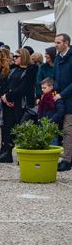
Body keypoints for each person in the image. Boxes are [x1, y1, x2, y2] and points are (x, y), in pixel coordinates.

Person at [0, 49, 32, 163]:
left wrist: (9, 96)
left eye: (17, 56)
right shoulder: (14, 70)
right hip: (8, 103)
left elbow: (24, 88)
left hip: (21, 103)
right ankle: (7, 153)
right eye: (14, 56)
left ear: (24, 57)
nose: (14, 58)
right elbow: (6, 84)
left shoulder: (30, 70)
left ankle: (23, 154)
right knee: (7, 129)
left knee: (21, 129)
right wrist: (4, 97)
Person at [54, 33, 72, 171]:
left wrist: (61, 94)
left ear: (66, 43)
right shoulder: (57, 59)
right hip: (60, 99)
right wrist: (54, 94)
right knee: (65, 130)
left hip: (69, 99)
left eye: (59, 42)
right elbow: (55, 79)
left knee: (68, 130)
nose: (56, 45)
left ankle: (67, 160)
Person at [38, 78, 65, 143]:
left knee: (52, 146)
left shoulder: (55, 97)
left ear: (51, 87)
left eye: (44, 88)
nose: (42, 90)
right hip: (43, 125)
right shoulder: (44, 97)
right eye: (42, 88)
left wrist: (50, 121)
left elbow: (60, 111)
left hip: (52, 127)